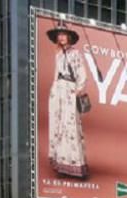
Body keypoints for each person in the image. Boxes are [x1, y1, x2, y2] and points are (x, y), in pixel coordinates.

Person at [46, 22, 88, 178]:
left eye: (64, 34)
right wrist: (53, 91)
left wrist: (78, 89)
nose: (61, 37)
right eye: (59, 34)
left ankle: (75, 163)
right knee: (58, 124)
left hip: (70, 89)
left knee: (70, 125)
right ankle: (61, 162)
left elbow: (81, 72)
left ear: (69, 36)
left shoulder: (75, 53)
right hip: (58, 90)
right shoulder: (58, 54)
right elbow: (56, 75)